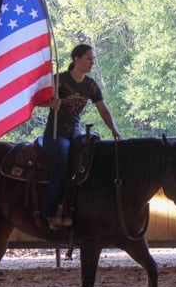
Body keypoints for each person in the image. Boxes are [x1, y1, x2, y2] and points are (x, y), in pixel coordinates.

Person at [41, 43, 121, 230]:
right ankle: (50, 212)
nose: (91, 63)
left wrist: (114, 129)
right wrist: (50, 104)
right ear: (76, 59)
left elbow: (102, 108)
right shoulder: (59, 80)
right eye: (88, 59)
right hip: (56, 134)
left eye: (92, 60)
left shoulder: (90, 85)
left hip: (75, 133)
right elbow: (37, 99)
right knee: (62, 163)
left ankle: (79, 209)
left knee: (90, 163)